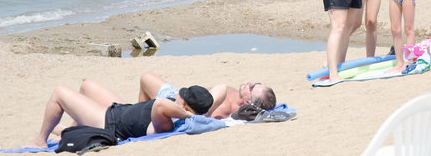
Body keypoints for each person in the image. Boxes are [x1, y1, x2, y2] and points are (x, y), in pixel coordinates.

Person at [25, 80, 213, 149]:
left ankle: (41, 140)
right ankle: (73, 130)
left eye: (182, 97)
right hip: (121, 109)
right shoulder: (175, 110)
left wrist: (187, 115)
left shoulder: (166, 122)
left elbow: (160, 104)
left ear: (186, 109)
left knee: (60, 92)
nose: (178, 95)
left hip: (107, 121)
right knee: (87, 85)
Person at [135, 72, 276, 118]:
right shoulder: (235, 97)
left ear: (246, 103)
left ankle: (139, 113)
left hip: (175, 100)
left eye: (251, 87)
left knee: (146, 77)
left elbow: (197, 115)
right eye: (254, 83)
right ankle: (139, 110)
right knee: (146, 78)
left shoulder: (224, 107)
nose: (249, 82)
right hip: (182, 97)